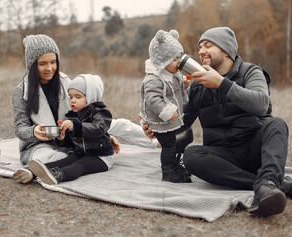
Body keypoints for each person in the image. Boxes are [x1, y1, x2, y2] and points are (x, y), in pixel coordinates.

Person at [144, 27, 292, 217]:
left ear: (226, 50)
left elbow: (262, 105)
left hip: (254, 149)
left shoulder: (250, 72)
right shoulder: (197, 84)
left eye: (208, 45)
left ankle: (268, 183)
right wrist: (158, 126)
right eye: (200, 47)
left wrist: (221, 83)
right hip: (223, 156)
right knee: (191, 155)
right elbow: (182, 121)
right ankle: (271, 185)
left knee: (276, 124)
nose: (201, 51)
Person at [12, 34, 158, 184]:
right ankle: (35, 171)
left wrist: (103, 137)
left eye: (53, 62)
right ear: (32, 64)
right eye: (42, 64)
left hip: (73, 133)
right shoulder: (21, 92)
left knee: (121, 125)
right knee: (59, 158)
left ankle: (157, 142)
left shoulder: (64, 81)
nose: (50, 68)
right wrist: (34, 131)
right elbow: (20, 128)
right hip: (41, 144)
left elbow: (85, 114)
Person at [28, 74, 114, 184]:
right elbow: (70, 143)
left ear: (90, 96)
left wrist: (74, 125)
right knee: (66, 160)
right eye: (71, 97)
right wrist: (62, 136)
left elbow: (98, 129)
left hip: (101, 156)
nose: (72, 101)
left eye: (78, 97)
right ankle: (33, 171)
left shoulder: (101, 112)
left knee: (80, 165)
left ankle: (58, 175)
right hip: (81, 153)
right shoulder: (73, 115)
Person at [140, 29, 192, 183]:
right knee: (168, 145)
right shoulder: (152, 79)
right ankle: (168, 172)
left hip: (168, 120)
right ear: (162, 60)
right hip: (160, 120)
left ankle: (174, 161)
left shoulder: (170, 73)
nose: (179, 62)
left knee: (182, 138)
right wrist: (167, 112)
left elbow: (173, 86)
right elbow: (153, 99)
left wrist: (184, 83)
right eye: (175, 59)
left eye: (179, 57)